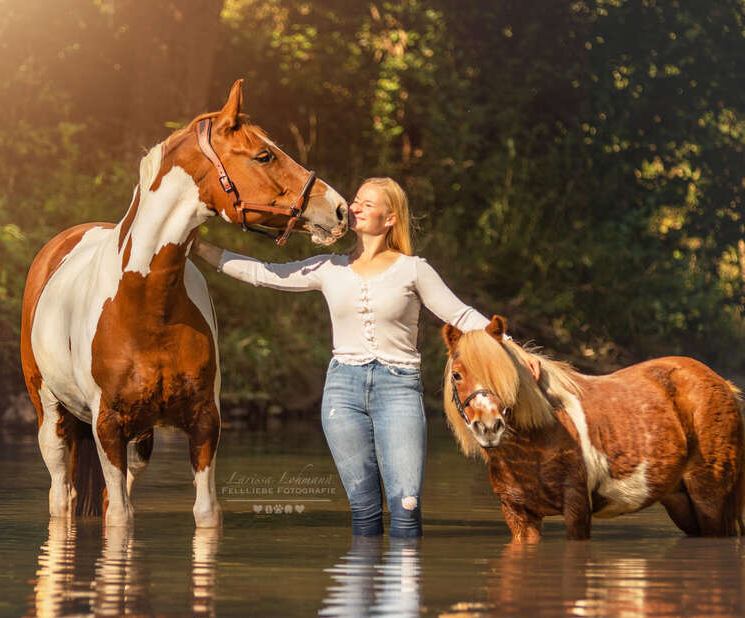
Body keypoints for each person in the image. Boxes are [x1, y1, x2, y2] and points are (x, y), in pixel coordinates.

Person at [193, 177, 538, 537]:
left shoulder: (413, 269)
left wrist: (513, 346)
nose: (355, 207)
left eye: (366, 204)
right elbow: (263, 273)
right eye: (356, 201)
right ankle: (362, 583)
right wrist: (201, 249)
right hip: (342, 391)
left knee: (406, 508)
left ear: (389, 219)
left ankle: (401, 589)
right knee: (364, 511)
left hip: (399, 389)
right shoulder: (330, 268)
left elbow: (462, 316)